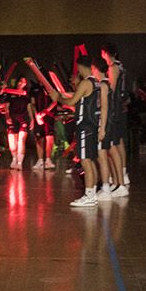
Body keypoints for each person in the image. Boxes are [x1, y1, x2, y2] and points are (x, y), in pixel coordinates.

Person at [41, 53, 106, 207]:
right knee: (90, 160)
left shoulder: (85, 83)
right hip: (92, 124)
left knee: (85, 161)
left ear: (81, 67)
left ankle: (90, 194)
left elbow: (71, 101)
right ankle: (92, 193)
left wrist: (57, 98)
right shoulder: (96, 83)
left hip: (85, 126)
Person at [101, 43, 131, 190]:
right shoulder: (121, 66)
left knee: (114, 143)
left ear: (105, 53)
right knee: (118, 141)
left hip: (115, 108)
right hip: (120, 106)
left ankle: (120, 178)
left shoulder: (113, 67)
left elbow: (111, 90)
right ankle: (122, 175)